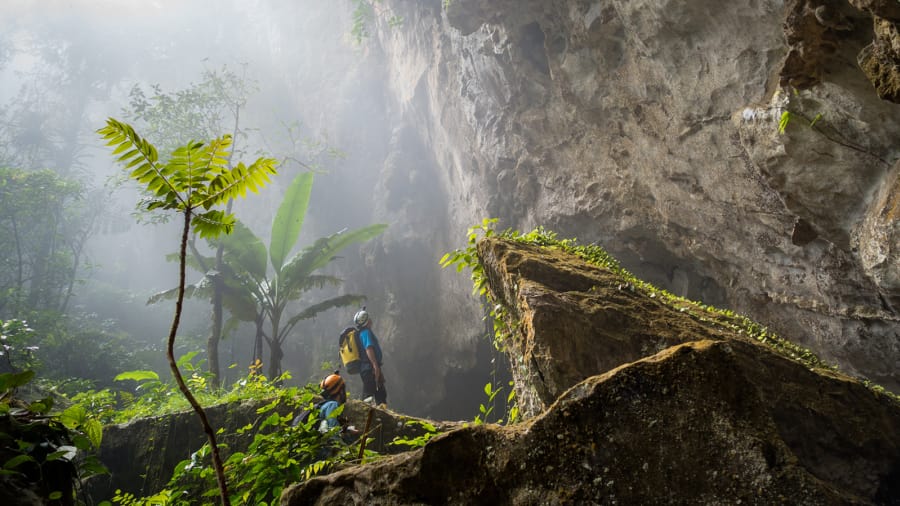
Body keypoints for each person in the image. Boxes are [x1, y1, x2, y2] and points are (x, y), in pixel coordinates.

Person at [353, 307, 387, 406]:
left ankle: (382, 411)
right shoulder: (365, 333)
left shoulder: (363, 333)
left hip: (368, 368)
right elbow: (369, 348)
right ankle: (364, 412)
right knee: (369, 394)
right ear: (367, 321)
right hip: (369, 368)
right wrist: (375, 365)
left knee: (380, 392)